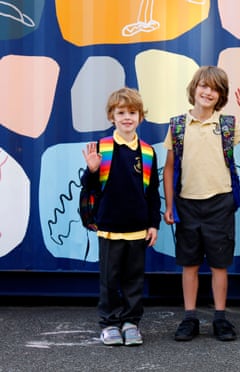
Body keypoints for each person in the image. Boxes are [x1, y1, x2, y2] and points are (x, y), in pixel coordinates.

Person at [163, 66, 240, 342]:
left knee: (219, 265)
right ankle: (189, 318)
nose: (208, 92)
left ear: (220, 95)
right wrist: (169, 206)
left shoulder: (227, 124)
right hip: (187, 204)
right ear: (194, 88)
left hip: (220, 204)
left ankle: (220, 318)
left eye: (215, 89)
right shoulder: (177, 125)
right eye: (204, 86)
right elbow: (169, 168)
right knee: (189, 264)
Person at [81, 87, 161, 346]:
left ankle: (130, 323)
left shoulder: (147, 152)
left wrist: (153, 224)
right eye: (121, 112)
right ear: (111, 116)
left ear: (141, 116)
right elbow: (91, 188)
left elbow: (152, 193)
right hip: (110, 229)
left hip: (138, 229)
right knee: (110, 279)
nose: (127, 117)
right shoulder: (102, 148)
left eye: (133, 112)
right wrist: (91, 170)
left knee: (134, 280)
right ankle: (109, 323)